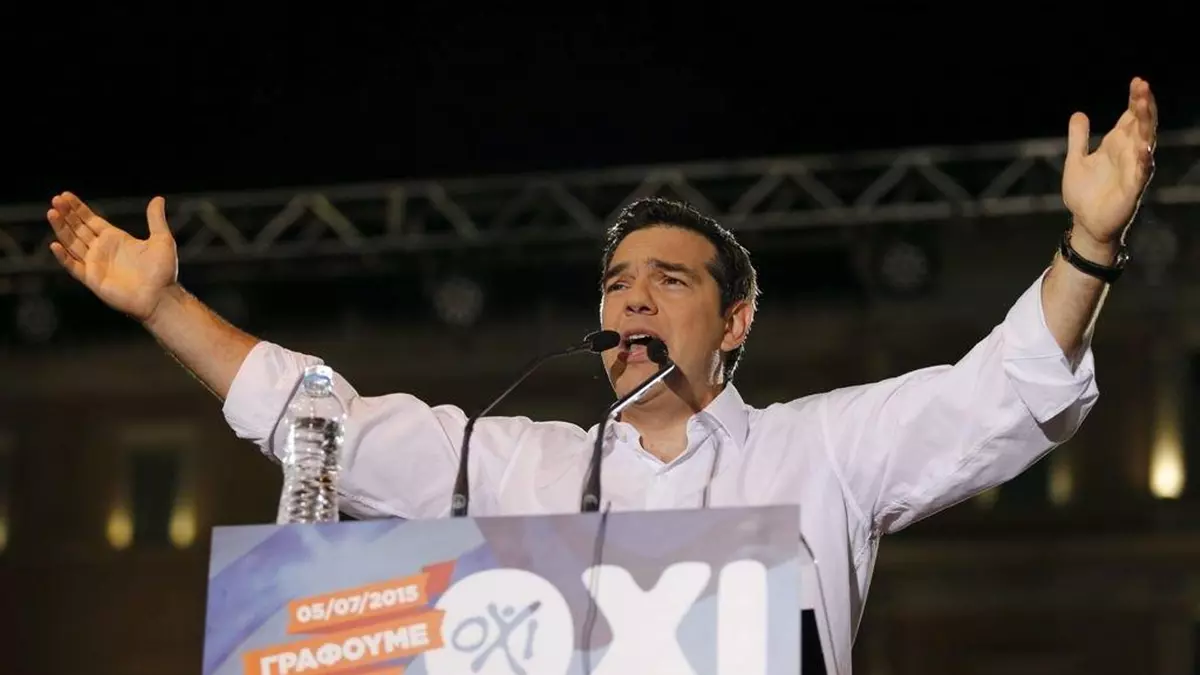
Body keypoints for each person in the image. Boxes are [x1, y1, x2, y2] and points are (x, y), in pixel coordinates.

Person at [45, 78, 1157, 674]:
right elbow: (323, 419)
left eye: (669, 283)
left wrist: (1089, 245)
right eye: (617, 284)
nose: (631, 304)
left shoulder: (822, 450)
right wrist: (166, 307)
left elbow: (1000, 391)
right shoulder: (516, 468)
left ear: (736, 321)